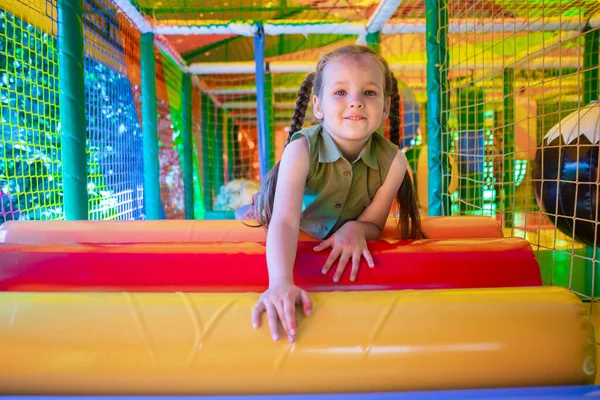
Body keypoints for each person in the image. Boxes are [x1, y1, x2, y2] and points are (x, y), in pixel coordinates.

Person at [249, 45, 424, 343]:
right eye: (340, 92)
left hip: (331, 233)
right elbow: (285, 222)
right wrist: (279, 282)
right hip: (290, 222)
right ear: (318, 106)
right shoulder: (300, 150)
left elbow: (374, 224)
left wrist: (357, 228)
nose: (355, 102)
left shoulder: (394, 162)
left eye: (369, 93)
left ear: (385, 107)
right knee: (250, 212)